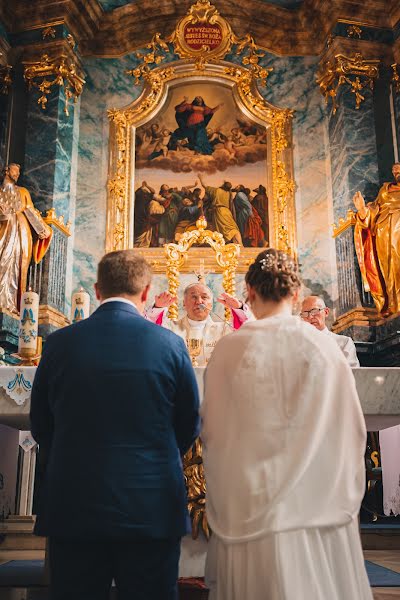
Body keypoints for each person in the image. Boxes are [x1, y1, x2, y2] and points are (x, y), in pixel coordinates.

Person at [202, 248, 372, 600]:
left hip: (251, 495)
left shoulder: (230, 347)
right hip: (316, 496)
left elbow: (214, 431)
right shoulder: (324, 347)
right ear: (296, 295)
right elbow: (350, 427)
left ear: (249, 292)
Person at [30, 250, 200, 600]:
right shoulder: (171, 344)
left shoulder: (59, 343)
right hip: (151, 505)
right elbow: (187, 423)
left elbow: (41, 424)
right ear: (147, 292)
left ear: (97, 289)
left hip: (75, 502)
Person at [146, 283, 250, 366]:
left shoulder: (224, 330)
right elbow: (150, 331)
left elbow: (246, 333)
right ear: (184, 303)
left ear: (211, 304)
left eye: (204, 297)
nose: (199, 302)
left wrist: (238, 308)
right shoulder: (170, 329)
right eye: (194, 297)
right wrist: (158, 307)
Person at [0, 163, 52, 313]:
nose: (17, 173)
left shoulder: (22, 192)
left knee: (14, 267)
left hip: (18, 235)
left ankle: (10, 304)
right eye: (15, 170)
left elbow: (30, 211)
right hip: (3, 234)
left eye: (19, 171)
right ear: (6, 171)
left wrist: (44, 230)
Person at [353, 162, 400, 315]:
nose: (396, 171)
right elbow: (374, 210)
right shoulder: (384, 191)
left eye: (399, 169)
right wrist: (362, 210)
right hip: (383, 231)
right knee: (388, 268)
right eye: (394, 170)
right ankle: (395, 304)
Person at [300, 295, 359, 367]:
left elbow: (353, 374)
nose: (310, 317)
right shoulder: (298, 345)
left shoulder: (344, 343)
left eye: (314, 311)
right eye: (305, 314)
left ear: (326, 312)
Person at [198, 173, 242, 244]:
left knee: (225, 230)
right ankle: (238, 244)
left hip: (219, 212)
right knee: (232, 227)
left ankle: (235, 244)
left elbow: (204, 186)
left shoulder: (216, 190)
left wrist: (200, 178)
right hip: (227, 212)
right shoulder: (229, 193)